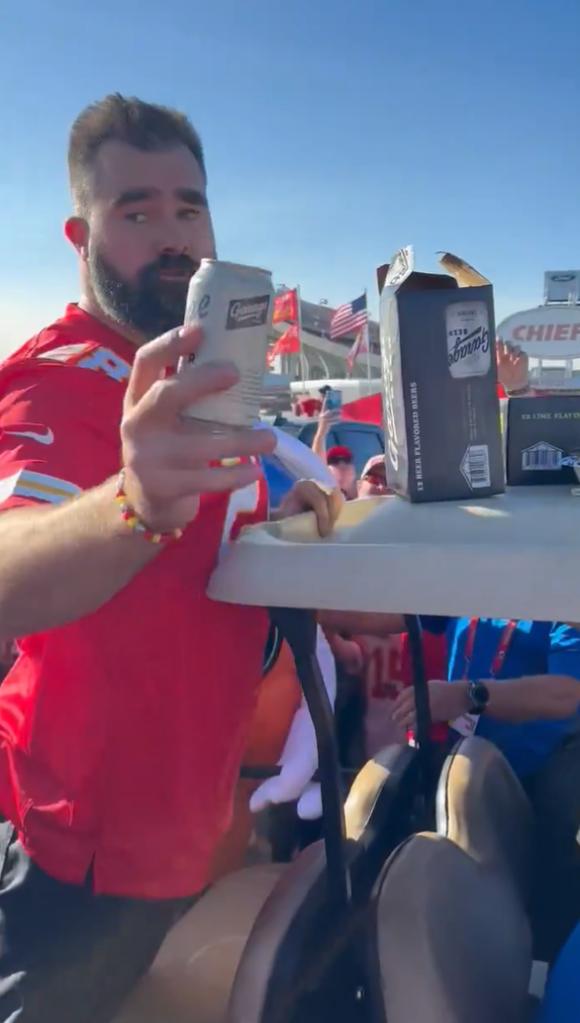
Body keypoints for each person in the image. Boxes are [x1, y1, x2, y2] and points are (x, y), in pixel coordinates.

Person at [0, 94, 341, 1022]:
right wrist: (133, 502)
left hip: (203, 824)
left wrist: (298, 513)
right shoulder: (59, 377)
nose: (173, 235)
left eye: (189, 208)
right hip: (80, 853)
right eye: (136, 211)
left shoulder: (210, 386)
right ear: (81, 233)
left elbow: (220, 549)